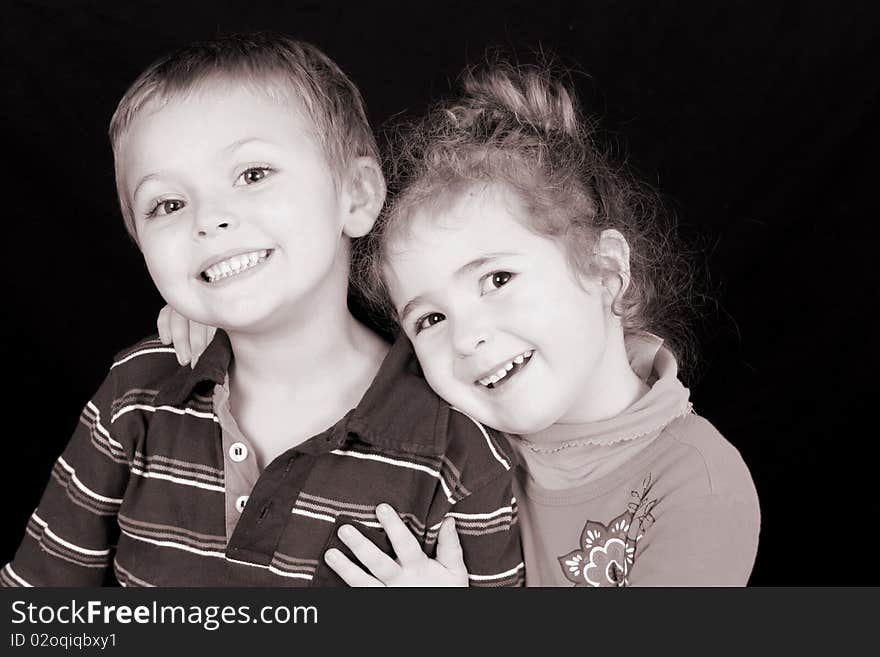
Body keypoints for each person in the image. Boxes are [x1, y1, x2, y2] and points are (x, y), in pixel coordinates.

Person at [159, 60, 761, 587]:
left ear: (603, 269)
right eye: (430, 318)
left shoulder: (697, 486)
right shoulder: (450, 422)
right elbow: (317, 330)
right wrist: (222, 312)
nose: (466, 338)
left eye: (497, 280)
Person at [0, 34, 523, 588]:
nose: (209, 220)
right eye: (168, 204)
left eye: (253, 175)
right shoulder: (136, 393)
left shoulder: (460, 445)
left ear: (356, 194)